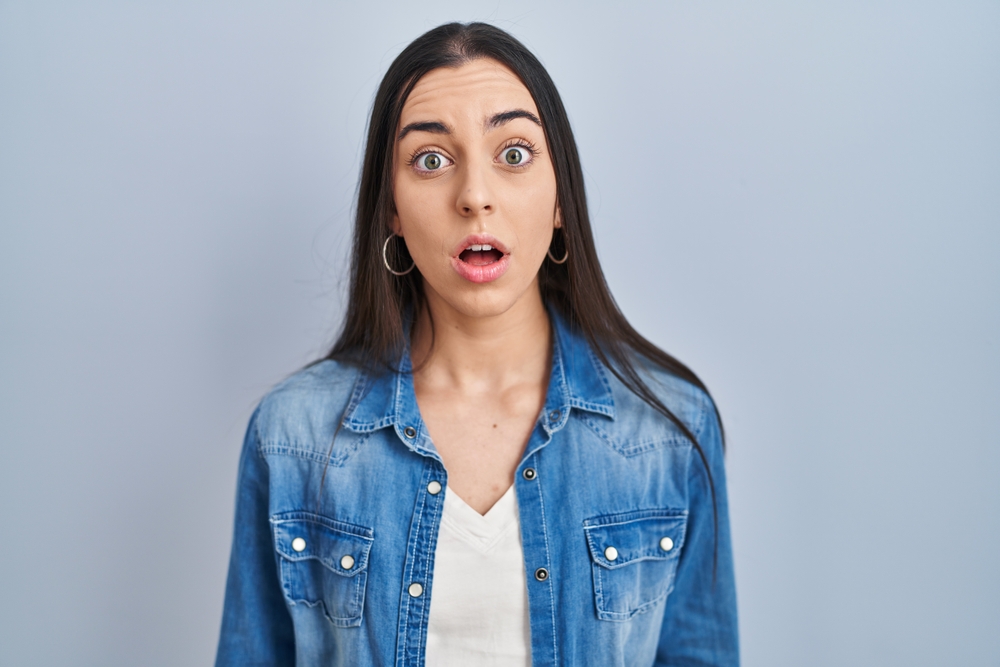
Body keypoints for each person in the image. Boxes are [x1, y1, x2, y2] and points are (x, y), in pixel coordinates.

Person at [215, 21, 738, 667]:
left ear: (560, 201)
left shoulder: (667, 428)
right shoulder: (294, 434)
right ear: (392, 211)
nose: (475, 197)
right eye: (431, 160)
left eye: (514, 153)